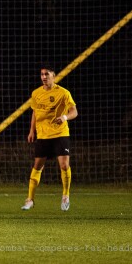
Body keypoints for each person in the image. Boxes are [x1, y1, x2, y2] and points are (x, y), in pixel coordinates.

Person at [23, 64, 77, 212]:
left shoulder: (63, 93)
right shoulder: (36, 93)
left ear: (54, 75)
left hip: (60, 133)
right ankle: (30, 199)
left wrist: (65, 117)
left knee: (64, 165)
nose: (44, 77)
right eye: (42, 74)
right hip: (43, 135)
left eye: (47, 74)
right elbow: (35, 112)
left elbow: (74, 111)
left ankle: (65, 196)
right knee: (37, 166)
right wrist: (31, 131)